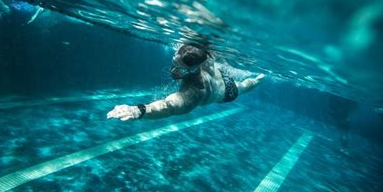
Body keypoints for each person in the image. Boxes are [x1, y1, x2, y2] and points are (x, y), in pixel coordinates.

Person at [107, 44, 265, 121]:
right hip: (218, 72)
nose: (174, 69)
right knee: (241, 84)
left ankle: (258, 79)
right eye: (174, 61)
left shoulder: (195, 91)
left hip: (226, 92)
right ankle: (257, 79)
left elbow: (169, 107)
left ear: (193, 69)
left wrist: (140, 110)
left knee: (243, 86)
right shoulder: (202, 56)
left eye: (181, 69)